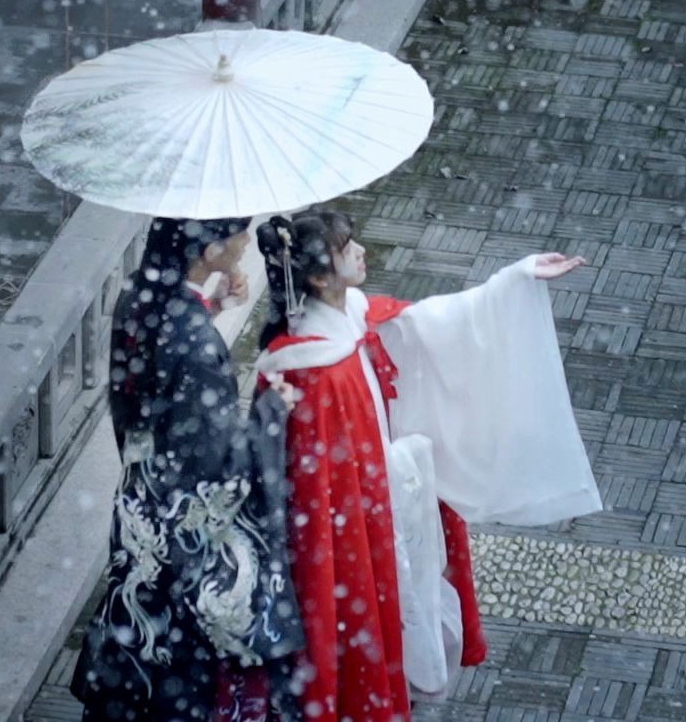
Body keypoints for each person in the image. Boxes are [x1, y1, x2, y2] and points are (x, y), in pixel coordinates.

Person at [255, 210, 601, 721]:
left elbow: (435, 321)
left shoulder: (347, 321)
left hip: (373, 507)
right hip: (361, 516)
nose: (360, 251)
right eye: (346, 246)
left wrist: (516, 279)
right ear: (318, 277)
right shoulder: (311, 370)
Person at [73, 217, 304, 721]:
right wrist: (271, 413)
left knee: (137, 626)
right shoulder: (194, 345)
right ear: (213, 249)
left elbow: (145, 384)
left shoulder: (143, 294)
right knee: (178, 665)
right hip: (182, 527)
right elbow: (218, 469)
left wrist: (211, 308)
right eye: (239, 233)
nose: (247, 241)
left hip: (141, 498)